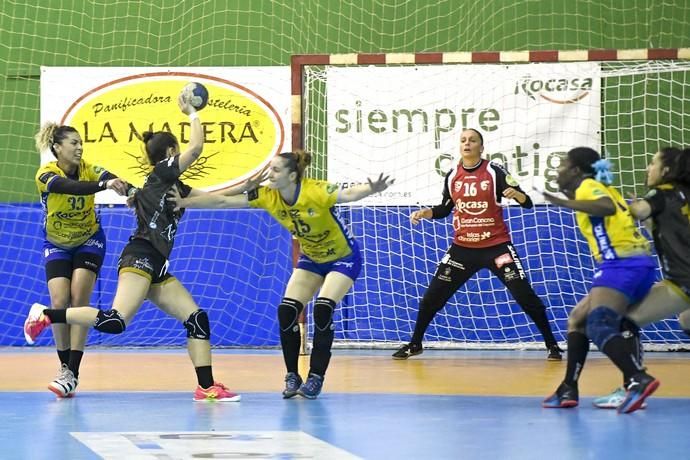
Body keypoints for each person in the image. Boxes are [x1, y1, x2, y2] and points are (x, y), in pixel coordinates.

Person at [24, 89, 240, 402]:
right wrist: (193, 113)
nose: (80, 147)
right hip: (138, 257)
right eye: (74, 142)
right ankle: (47, 315)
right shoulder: (163, 171)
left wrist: (256, 189)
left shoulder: (172, 184)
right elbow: (196, 148)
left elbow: (217, 198)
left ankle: (206, 387)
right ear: (169, 151)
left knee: (197, 319)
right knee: (114, 321)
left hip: (152, 264)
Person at [168, 150, 394, 399]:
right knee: (287, 310)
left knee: (322, 308)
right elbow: (223, 201)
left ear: (292, 175)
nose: (269, 174)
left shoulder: (315, 191)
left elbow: (348, 194)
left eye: (275, 170)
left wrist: (371, 189)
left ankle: (316, 376)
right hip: (311, 259)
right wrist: (185, 203)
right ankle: (292, 375)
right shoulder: (268, 196)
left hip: (343, 259)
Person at [392, 128, 562, 361]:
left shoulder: (494, 172)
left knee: (524, 295)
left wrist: (518, 196)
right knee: (432, 297)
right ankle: (415, 344)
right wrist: (426, 212)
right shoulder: (452, 176)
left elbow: (527, 203)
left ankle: (552, 345)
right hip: (462, 250)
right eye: (463, 140)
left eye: (472, 140)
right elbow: (444, 209)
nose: (467, 143)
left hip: (497, 248)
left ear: (481, 147)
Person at [541, 147, 659, 414]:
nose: (558, 170)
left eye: (563, 165)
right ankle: (568, 387)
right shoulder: (602, 187)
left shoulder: (588, 186)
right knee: (578, 318)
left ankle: (637, 379)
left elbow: (605, 208)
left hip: (621, 264)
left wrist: (565, 202)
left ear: (576, 170)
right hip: (637, 264)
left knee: (599, 324)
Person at [34, 122, 129, 398]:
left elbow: (107, 175)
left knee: (79, 298)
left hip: (89, 239)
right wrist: (104, 185)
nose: (79, 147)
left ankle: (72, 371)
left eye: (80, 143)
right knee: (59, 301)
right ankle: (64, 368)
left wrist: (124, 186)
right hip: (56, 242)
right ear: (57, 148)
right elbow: (70, 188)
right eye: (73, 143)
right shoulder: (45, 174)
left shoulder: (90, 167)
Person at [593, 146, 690, 409]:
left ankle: (634, 386)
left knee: (625, 320)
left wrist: (606, 195)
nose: (648, 168)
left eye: (653, 163)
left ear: (667, 170)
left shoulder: (662, 193)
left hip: (683, 282)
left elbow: (636, 211)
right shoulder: (684, 196)